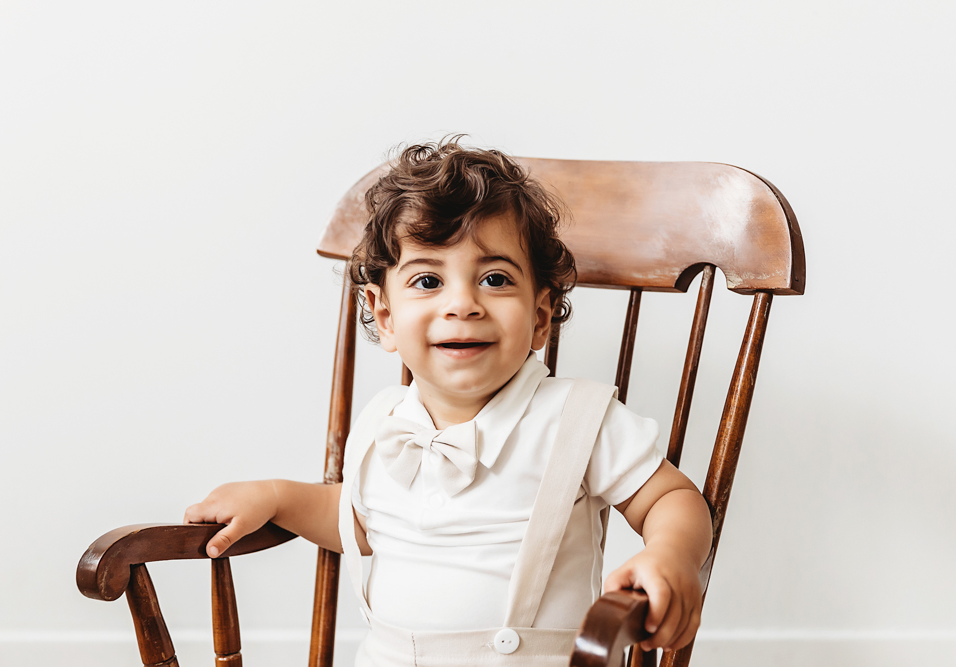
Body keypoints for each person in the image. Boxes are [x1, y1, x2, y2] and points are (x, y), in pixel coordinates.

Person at [185, 139, 713, 666]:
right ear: (385, 315)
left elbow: (671, 498)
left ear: (539, 317)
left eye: (495, 279)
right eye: (429, 280)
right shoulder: (385, 424)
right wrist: (276, 496)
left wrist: (670, 554)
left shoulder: (578, 419)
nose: (462, 303)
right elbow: (360, 523)